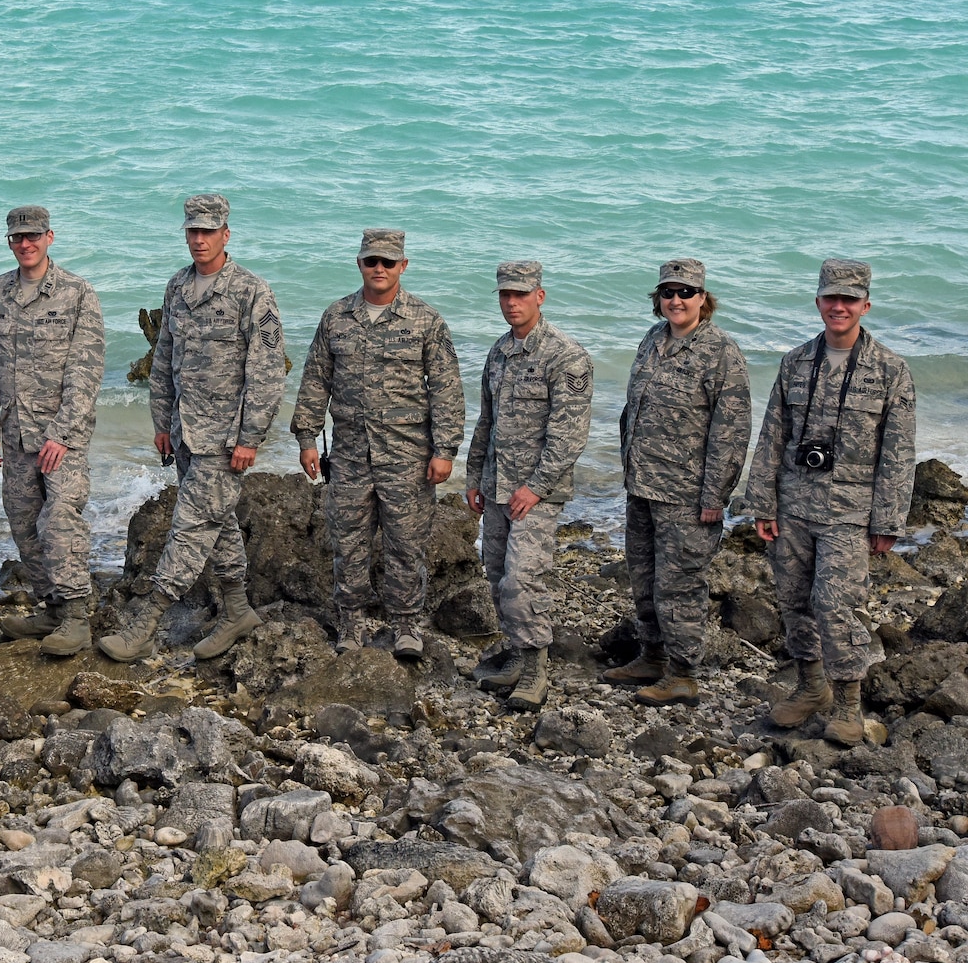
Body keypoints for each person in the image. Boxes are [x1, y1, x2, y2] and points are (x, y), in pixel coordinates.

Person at [101, 194, 285, 663]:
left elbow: (266, 373)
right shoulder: (177, 288)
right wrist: (161, 421)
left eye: (208, 231)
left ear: (226, 233)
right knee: (216, 521)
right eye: (192, 231)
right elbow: (163, 360)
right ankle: (238, 611)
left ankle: (146, 622)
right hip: (185, 432)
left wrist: (250, 437)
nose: (199, 239)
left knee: (188, 527)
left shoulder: (251, 292)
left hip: (224, 440)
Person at [744, 259, 916, 746]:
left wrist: (888, 521)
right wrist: (763, 503)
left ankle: (848, 704)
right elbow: (772, 436)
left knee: (836, 604)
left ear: (865, 305)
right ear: (818, 302)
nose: (838, 307)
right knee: (795, 601)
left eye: (848, 300)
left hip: (851, 512)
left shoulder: (890, 370)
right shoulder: (796, 362)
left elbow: (899, 454)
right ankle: (811, 687)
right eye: (829, 298)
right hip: (795, 504)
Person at [290, 229, 464, 658]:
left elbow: (447, 389)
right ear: (360, 264)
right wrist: (307, 437)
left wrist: (445, 450)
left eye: (388, 262)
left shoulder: (426, 320)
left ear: (403, 266)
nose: (380, 269)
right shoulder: (336, 317)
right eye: (372, 261)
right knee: (347, 542)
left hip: (408, 455)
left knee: (406, 543)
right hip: (349, 454)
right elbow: (316, 380)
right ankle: (352, 623)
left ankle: (406, 624)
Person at [605, 259, 752, 706]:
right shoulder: (652, 340)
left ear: (703, 299)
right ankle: (652, 655)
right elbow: (634, 410)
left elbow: (731, 430)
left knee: (680, 583)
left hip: (688, 496)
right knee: (643, 576)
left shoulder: (720, 352)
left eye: (686, 292)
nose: (676, 300)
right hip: (643, 485)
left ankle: (684, 672)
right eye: (668, 292)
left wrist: (715, 495)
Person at [0, 207, 107, 658]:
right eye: (17, 238)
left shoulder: (76, 292)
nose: (25, 244)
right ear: (9, 242)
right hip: (14, 432)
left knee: (61, 519)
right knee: (23, 521)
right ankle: (51, 605)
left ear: (50, 237)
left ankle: (76, 617)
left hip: (60, 434)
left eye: (33, 236)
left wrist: (63, 433)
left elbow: (86, 370)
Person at [464, 261, 593, 711]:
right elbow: (487, 421)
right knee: (497, 574)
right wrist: (475, 477)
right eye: (505, 295)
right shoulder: (499, 352)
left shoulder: (565, 355)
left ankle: (537, 667)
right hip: (498, 486)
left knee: (522, 579)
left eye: (520, 294)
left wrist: (535, 487)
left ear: (540, 295)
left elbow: (570, 435)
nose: (512, 302)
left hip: (537, 492)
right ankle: (517, 656)